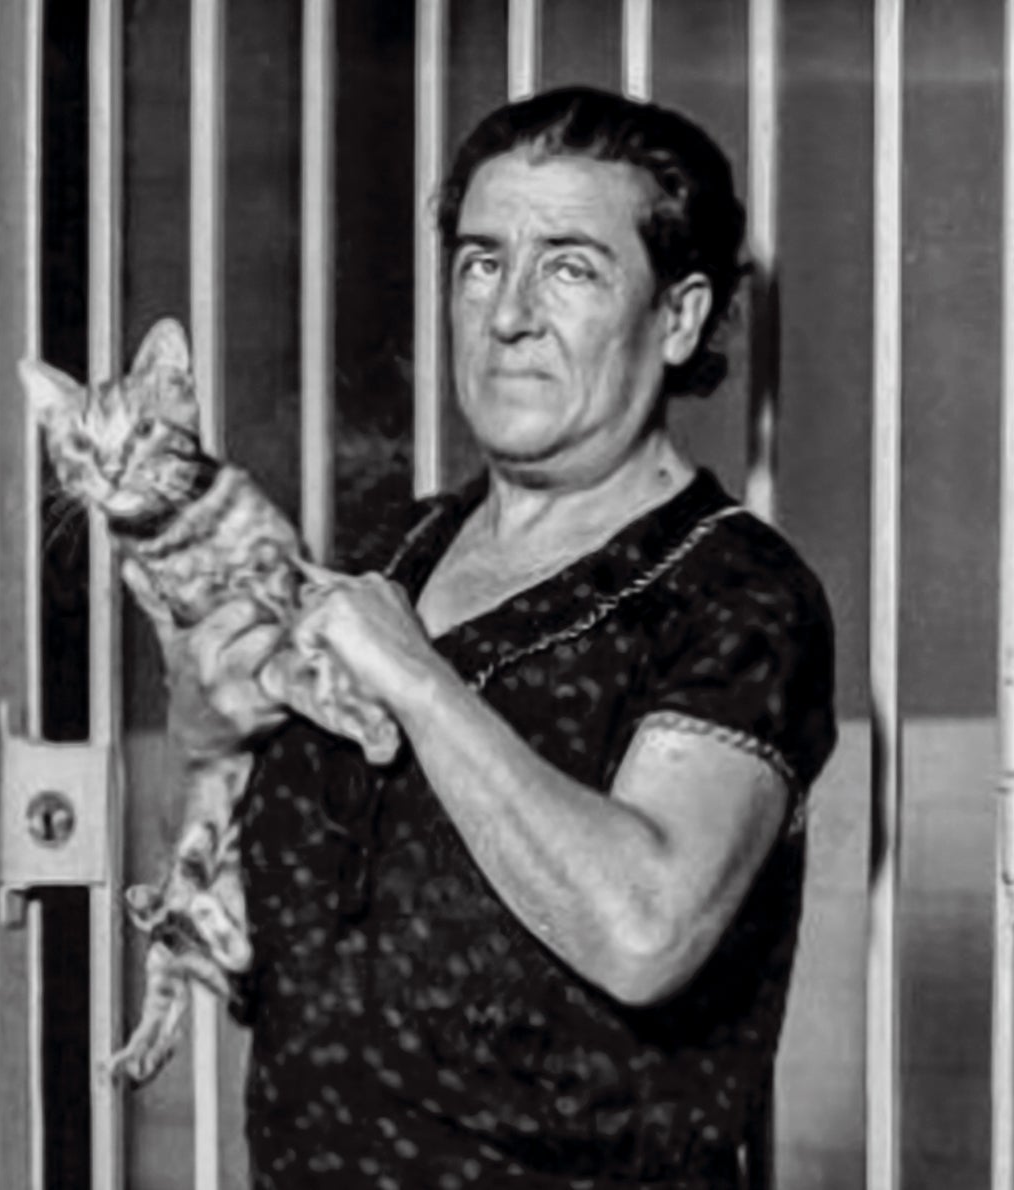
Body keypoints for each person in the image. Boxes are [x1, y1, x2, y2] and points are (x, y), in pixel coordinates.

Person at [168, 86, 836, 1189]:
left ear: (678, 318)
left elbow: (645, 932)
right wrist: (206, 745)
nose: (509, 313)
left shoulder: (733, 594)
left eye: (570, 268)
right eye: (481, 262)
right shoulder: (389, 553)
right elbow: (267, 953)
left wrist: (424, 686)